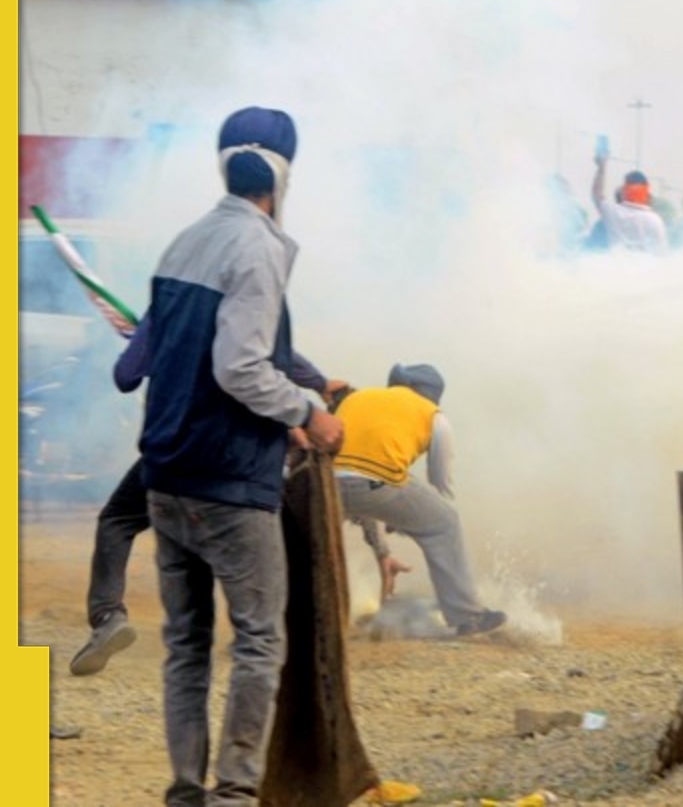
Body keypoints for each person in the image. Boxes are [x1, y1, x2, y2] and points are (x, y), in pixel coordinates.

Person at [139, 106, 345, 806]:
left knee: (186, 645)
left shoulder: (183, 242)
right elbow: (239, 367)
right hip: (228, 483)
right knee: (259, 642)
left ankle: (186, 791)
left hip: (166, 477)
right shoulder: (257, 247)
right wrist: (306, 413)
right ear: (284, 176)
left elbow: (169, 363)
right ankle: (233, 796)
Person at [69, 317, 345, 677]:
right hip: (240, 459)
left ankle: (108, 616)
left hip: (176, 452)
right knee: (240, 543)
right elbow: (280, 362)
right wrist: (318, 387)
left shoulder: (167, 311)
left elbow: (125, 377)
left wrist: (148, 339)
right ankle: (261, 638)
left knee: (118, 521)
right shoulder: (251, 310)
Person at [331, 363, 507, 638]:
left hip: (326, 484)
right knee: (444, 522)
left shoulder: (358, 397)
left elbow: (352, 481)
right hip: (377, 484)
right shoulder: (433, 415)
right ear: (432, 394)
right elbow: (440, 483)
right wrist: (409, 517)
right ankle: (467, 615)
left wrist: (384, 548)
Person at [589, 153, 668, 255]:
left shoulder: (613, 212)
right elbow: (662, 254)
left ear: (625, 191)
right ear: (647, 194)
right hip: (644, 270)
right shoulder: (655, 220)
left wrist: (601, 167)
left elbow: (597, 194)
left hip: (615, 267)